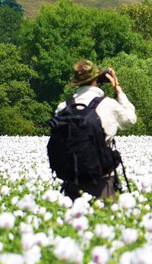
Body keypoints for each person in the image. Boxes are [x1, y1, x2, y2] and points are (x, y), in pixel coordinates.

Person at [54, 60, 137, 200]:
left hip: (72, 181)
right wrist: (118, 90)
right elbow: (130, 120)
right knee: (103, 219)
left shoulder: (63, 108)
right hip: (102, 181)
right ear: (96, 79)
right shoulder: (108, 104)